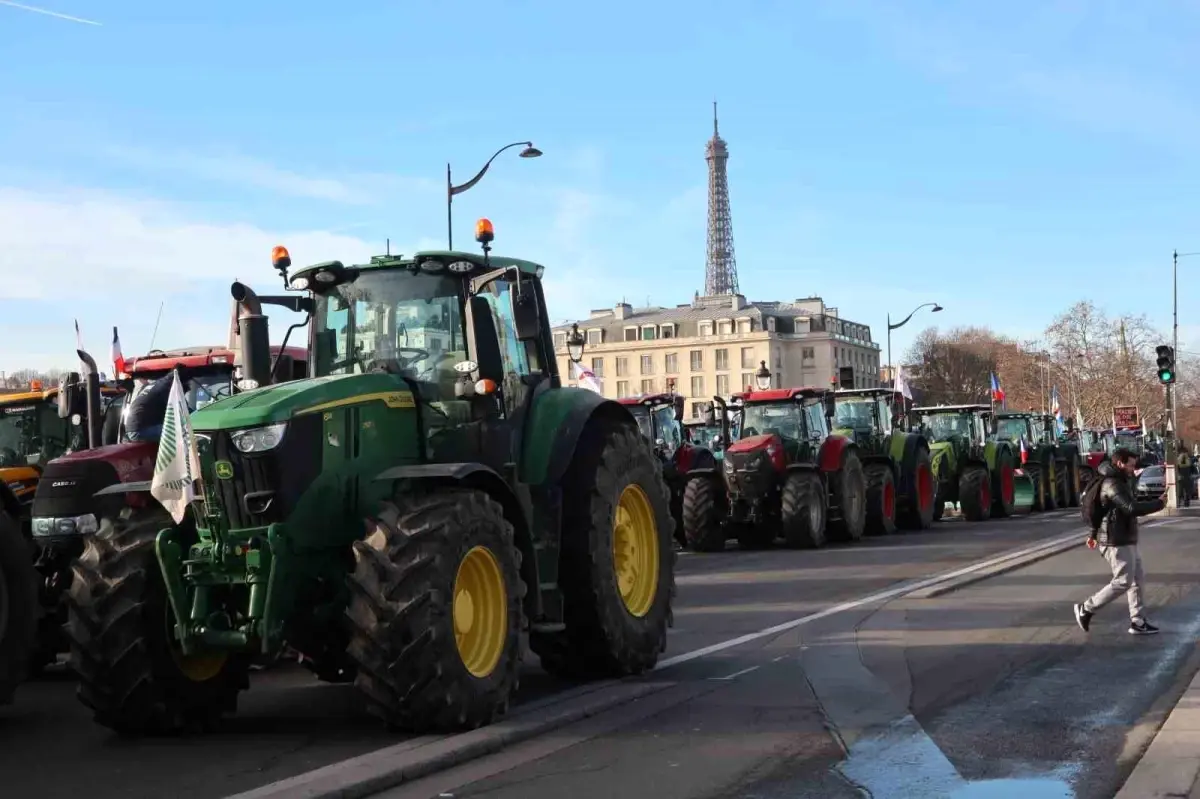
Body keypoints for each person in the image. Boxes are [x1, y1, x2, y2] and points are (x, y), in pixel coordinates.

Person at [1074, 447, 1165, 636]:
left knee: (1136, 580)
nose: (1133, 468)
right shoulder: (1112, 484)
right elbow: (1130, 508)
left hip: (1125, 536)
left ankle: (1138, 621)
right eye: (1130, 465)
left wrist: (1092, 533)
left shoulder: (1121, 480)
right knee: (1123, 581)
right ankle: (1086, 608)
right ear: (1119, 463)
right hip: (1115, 540)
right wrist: (1159, 504)